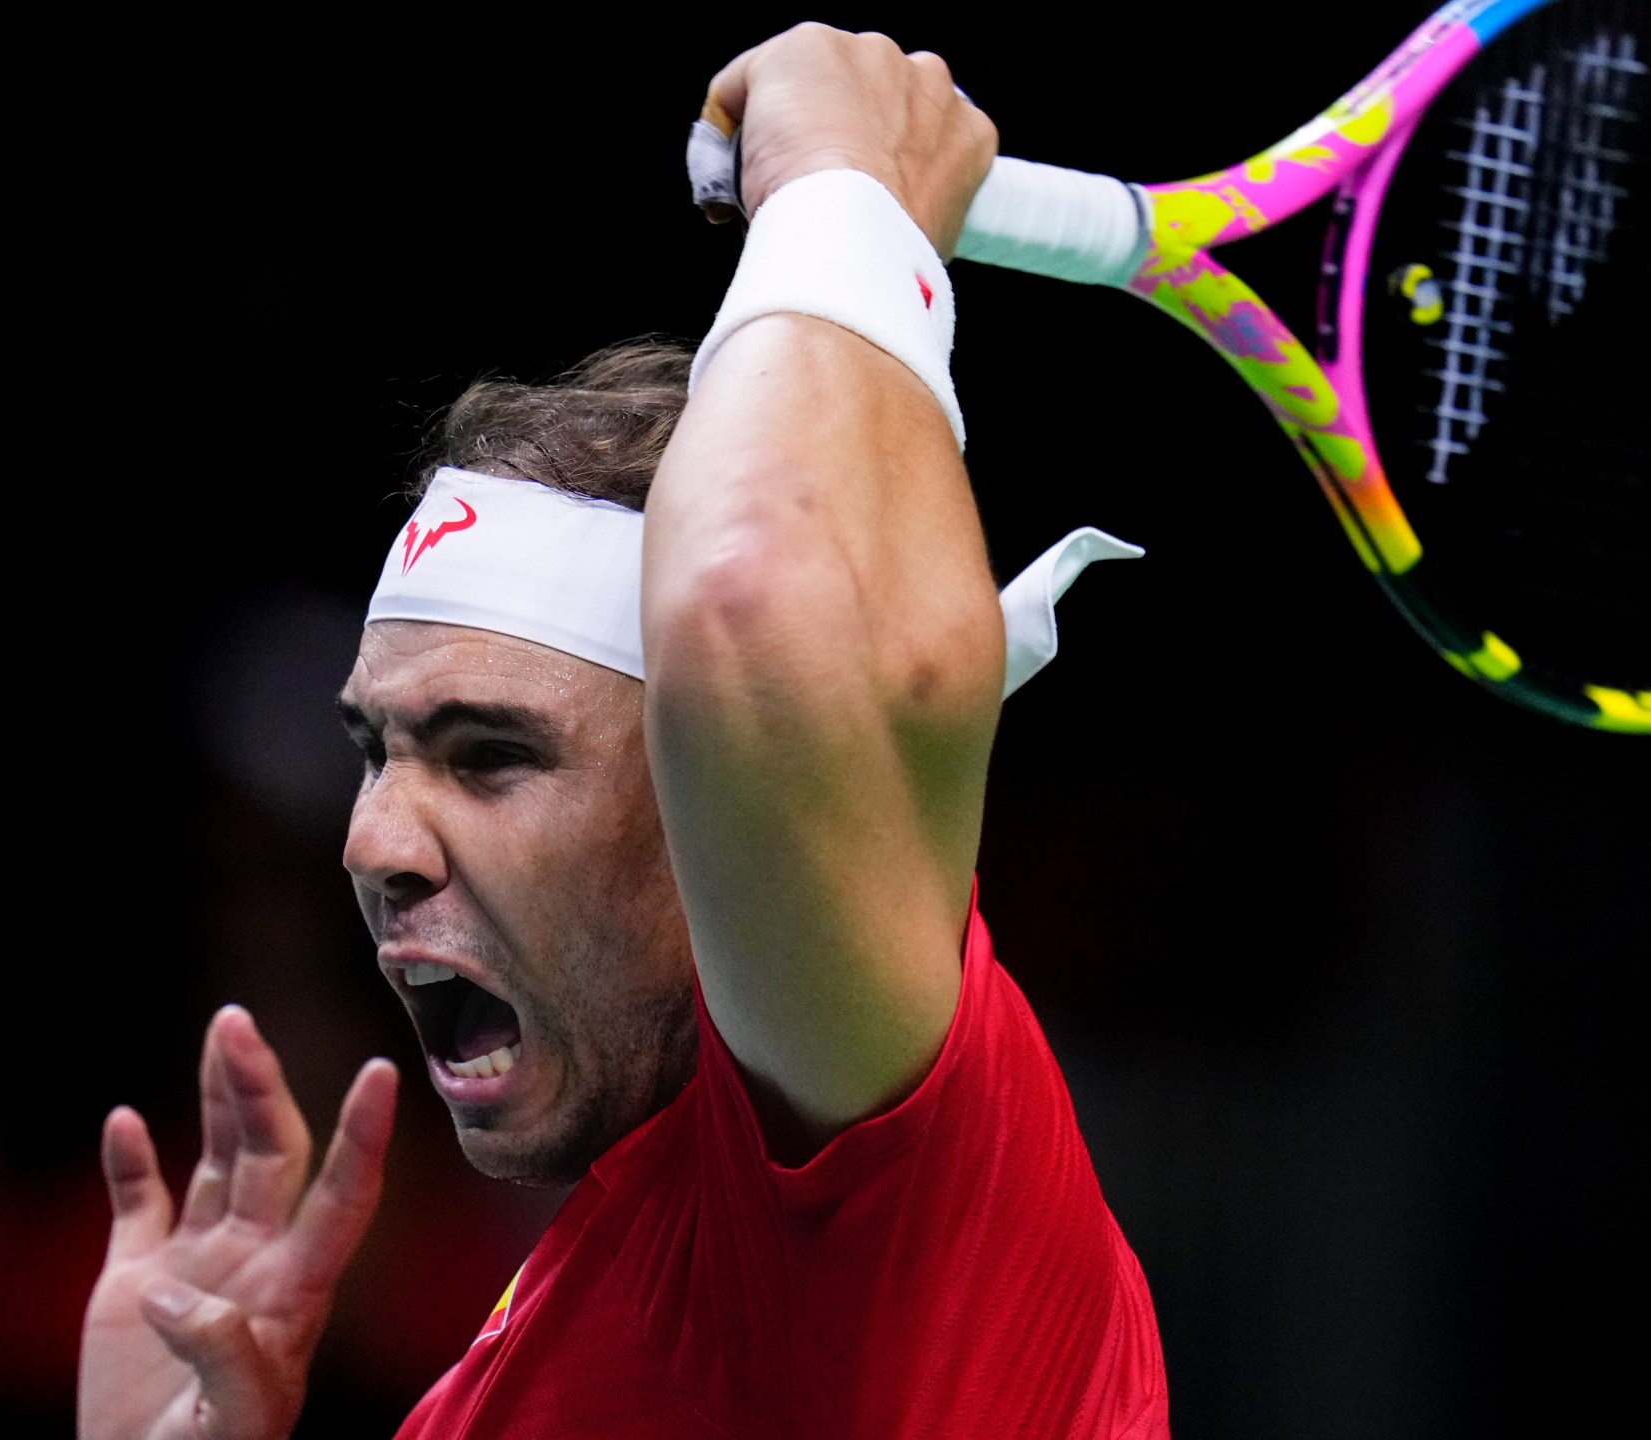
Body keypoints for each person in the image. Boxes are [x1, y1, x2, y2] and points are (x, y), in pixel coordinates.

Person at [74, 22, 1168, 1440]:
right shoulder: (490, 1383)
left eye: (492, 755)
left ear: (711, 797)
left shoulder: (875, 1189)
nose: (372, 841)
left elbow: (751, 600)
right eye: (375, 750)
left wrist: (843, 189)